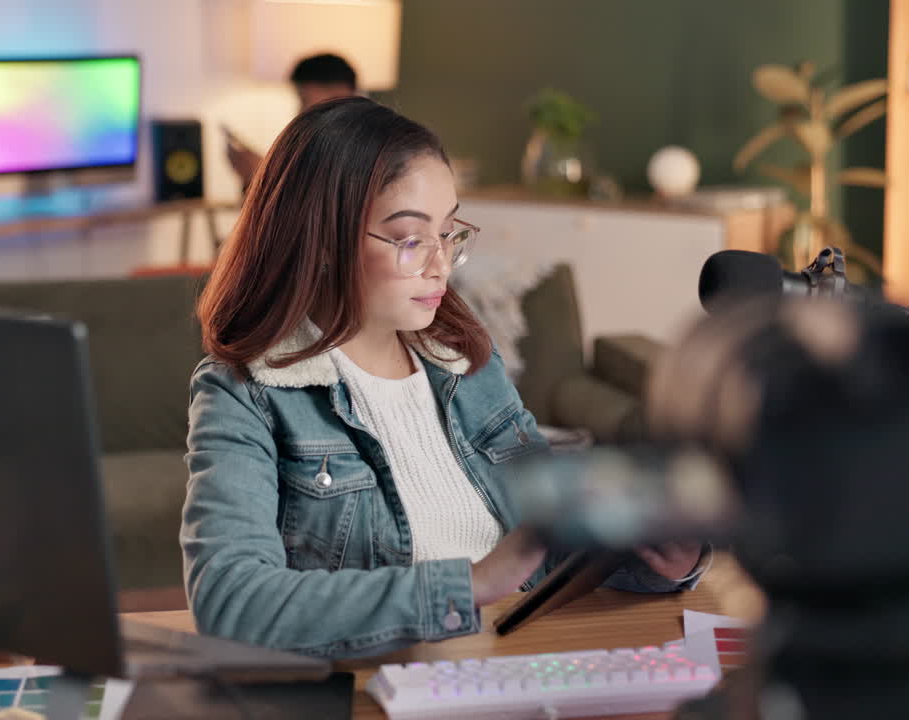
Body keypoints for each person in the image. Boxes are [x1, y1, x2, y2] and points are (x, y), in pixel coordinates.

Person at [183, 97, 708, 659]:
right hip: (383, 682)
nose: (439, 264)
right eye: (411, 239)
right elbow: (232, 603)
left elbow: (542, 554)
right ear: (323, 242)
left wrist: (661, 560)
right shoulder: (246, 392)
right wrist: (474, 583)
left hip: (517, 661)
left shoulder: (465, 361)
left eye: (449, 232)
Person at [225, 53, 359, 188]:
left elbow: (317, 203)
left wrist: (262, 176)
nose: (299, 112)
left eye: (304, 100)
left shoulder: (364, 153)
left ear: (337, 96)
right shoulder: (314, 149)